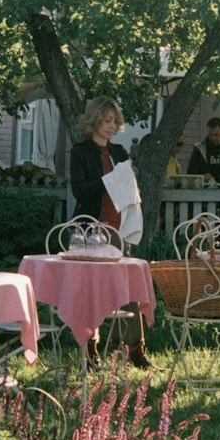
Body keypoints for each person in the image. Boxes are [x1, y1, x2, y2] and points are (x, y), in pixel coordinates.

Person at [68, 95, 151, 369]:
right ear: (94, 121)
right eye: (106, 120)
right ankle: (90, 350)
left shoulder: (119, 153)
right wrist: (108, 182)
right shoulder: (80, 152)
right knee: (90, 293)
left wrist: (127, 179)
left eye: (115, 121)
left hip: (118, 230)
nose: (112, 126)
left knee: (127, 291)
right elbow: (78, 191)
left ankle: (134, 351)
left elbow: (127, 190)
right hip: (89, 231)